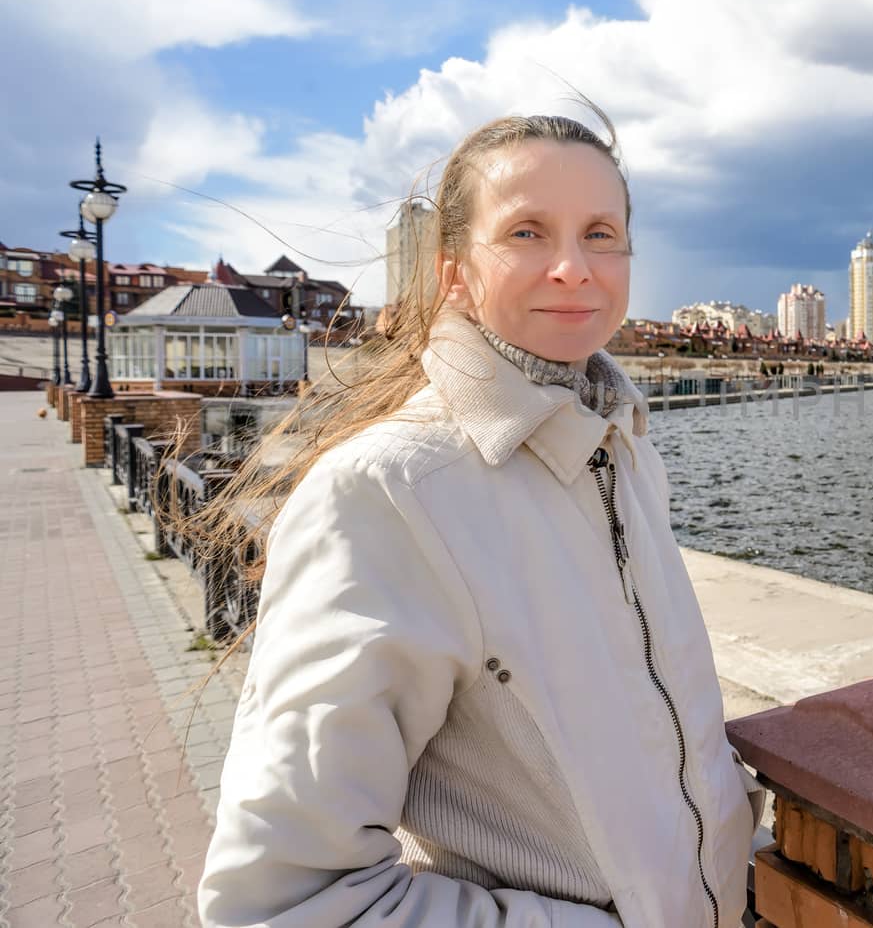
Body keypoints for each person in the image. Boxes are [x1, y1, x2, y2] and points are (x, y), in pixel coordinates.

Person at [196, 110, 764, 927]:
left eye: (601, 233)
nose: (573, 267)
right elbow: (285, 900)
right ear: (455, 273)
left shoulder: (624, 450)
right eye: (528, 232)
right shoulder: (386, 494)